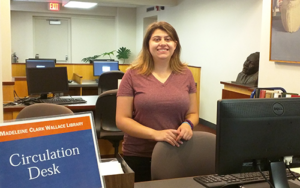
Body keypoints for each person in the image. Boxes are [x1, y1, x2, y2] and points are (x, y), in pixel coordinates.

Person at [116, 21, 198, 182]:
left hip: (176, 151)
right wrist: (156, 134)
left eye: (168, 39)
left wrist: (188, 124)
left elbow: (193, 113)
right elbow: (121, 119)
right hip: (139, 155)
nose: (162, 43)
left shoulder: (186, 74)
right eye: (157, 39)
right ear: (148, 44)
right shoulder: (132, 74)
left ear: (175, 45)